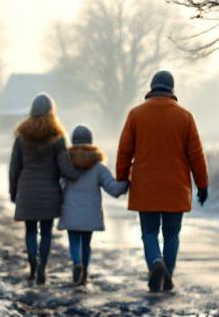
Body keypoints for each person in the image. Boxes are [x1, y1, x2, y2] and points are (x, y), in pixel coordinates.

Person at [116, 71, 209, 293]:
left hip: (145, 187)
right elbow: (196, 154)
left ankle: (156, 263)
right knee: (171, 235)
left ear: (151, 87)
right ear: (172, 89)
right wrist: (202, 184)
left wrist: (121, 178)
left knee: (149, 233)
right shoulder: (185, 117)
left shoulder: (136, 115)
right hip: (176, 188)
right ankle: (167, 274)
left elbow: (124, 151)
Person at [9, 93, 79, 284]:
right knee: (46, 232)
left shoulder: (21, 137)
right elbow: (64, 166)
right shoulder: (57, 138)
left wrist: (13, 191)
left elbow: (14, 168)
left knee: (30, 231)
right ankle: (42, 268)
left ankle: (33, 264)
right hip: (49, 192)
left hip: (27, 192)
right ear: (51, 112)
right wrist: (78, 176)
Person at [57, 125, 128, 286]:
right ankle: (84, 271)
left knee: (74, 241)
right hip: (90, 214)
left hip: (71, 211)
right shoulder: (98, 167)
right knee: (86, 244)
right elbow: (113, 188)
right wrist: (126, 182)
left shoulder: (67, 166)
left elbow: (59, 187)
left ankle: (77, 264)